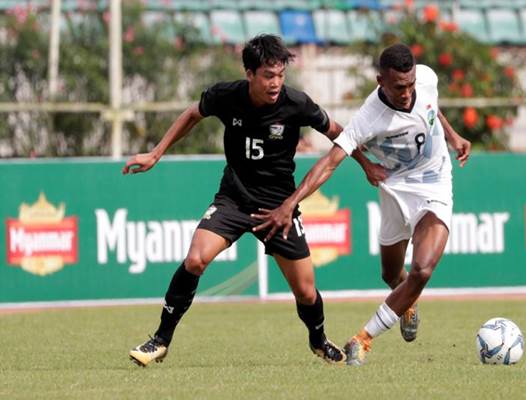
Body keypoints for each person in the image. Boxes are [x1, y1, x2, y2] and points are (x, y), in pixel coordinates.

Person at [123, 34, 365, 367]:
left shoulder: (297, 103)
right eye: (268, 75)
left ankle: (319, 340)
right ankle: (160, 340)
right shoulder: (227, 96)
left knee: (307, 293)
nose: (276, 83)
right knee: (195, 260)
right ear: (249, 73)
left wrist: (369, 165)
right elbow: (192, 114)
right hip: (233, 200)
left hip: (280, 208)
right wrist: (155, 153)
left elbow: (340, 133)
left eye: (280, 75)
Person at [252, 43, 471, 366]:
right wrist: (290, 203)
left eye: (410, 84)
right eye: (399, 87)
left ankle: (363, 338)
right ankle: (406, 302)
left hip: (434, 180)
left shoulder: (424, 78)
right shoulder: (370, 117)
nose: (407, 93)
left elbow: (431, 107)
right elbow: (329, 163)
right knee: (391, 274)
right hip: (394, 188)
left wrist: (452, 137)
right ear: (380, 80)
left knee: (422, 269)